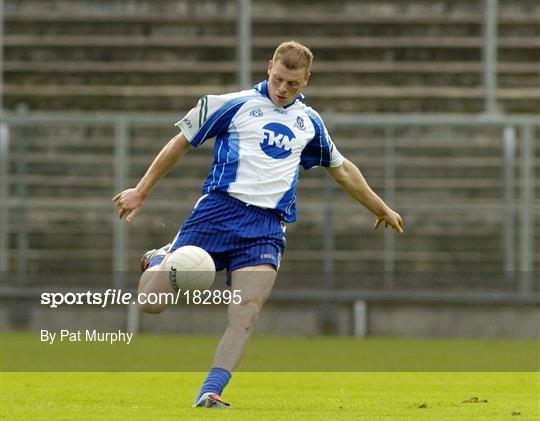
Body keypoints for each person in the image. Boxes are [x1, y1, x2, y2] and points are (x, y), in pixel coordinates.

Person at [113, 41, 403, 409]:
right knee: (151, 303)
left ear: (306, 81)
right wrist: (141, 190)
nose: (283, 89)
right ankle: (160, 257)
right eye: (279, 79)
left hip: (266, 227)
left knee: (245, 313)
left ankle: (211, 391)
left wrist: (380, 208)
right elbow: (180, 143)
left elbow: (343, 170)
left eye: (293, 84)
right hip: (216, 213)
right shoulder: (230, 104)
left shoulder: (310, 123)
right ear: (269, 67)